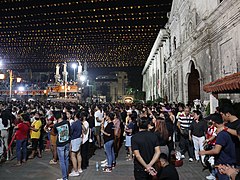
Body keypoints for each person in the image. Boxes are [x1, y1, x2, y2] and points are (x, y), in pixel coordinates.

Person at [199, 113, 236, 180]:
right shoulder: (228, 129)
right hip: (230, 161)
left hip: (224, 165)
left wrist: (204, 152)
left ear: (214, 122)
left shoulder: (222, 134)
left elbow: (216, 150)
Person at [54, 111, 71, 180]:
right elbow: (69, 131)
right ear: (61, 116)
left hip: (60, 144)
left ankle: (64, 177)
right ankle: (66, 175)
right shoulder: (67, 122)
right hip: (67, 142)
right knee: (66, 159)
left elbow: (55, 133)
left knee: (62, 161)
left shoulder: (56, 125)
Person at [69, 112, 82, 177]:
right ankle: (79, 168)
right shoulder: (80, 122)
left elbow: (70, 132)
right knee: (78, 154)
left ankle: (75, 170)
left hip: (74, 139)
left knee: (73, 155)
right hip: (79, 138)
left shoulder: (74, 124)